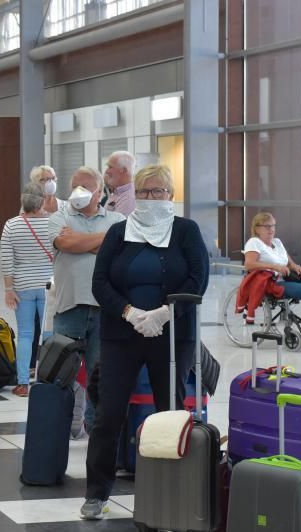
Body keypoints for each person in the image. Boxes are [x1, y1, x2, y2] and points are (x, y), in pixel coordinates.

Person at [81, 164, 208, 520]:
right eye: (146, 192)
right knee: (108, 414)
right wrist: (130, 313)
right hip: (122, 334)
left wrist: (164, 314)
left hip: (171, 336)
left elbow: (198, 279)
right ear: (135, 194)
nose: (152, 198)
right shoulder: (119, 232)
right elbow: (100, 281)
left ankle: (172, 489)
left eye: (159, 191)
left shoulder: (186, 231)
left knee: (169, 413)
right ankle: (97, 493)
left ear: (171, 194)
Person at [48, 166, 126, 432]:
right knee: (61, 374)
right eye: (74, 187)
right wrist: (103, 242)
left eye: (84, 186)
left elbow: (118, 255)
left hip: (105, 310)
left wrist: (81, 241)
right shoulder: (58, 216)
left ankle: (95, 430)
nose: (77, 192)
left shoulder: (116, 219)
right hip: (69, 307)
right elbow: (64, 244)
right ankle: (60, 428)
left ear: (99, 192)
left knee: (99, 375)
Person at [1, 183, 58, 397]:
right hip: (49, 286)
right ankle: (47, 380)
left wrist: (9, 289)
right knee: (49, 335)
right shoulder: (54, 222)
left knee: (25, 334)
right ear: (42, 200)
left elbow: (7, 260)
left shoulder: (11, 225)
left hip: (23, 286)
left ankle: (23, 383)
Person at [243, 212, 301, 341]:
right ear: (257, 228)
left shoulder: (277, 242)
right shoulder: (254, 242)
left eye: (273, 225)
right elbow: (249, 264)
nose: (272, 229)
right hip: (272, 283)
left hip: (286, 278)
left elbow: (288, 261)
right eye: (267, 226)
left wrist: (296, 266)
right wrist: (275, 267)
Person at [103, 151, 136, 216]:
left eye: (110, 167)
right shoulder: (117, 193)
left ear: (123, 170)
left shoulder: (130, 198)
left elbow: (114, 225)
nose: (106, 171)